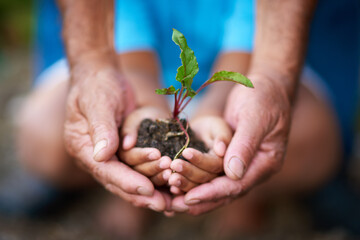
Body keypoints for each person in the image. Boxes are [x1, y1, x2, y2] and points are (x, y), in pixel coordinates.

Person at [13, 0, 359, 236]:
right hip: (129, 70)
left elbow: (247, 45)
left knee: (310, 137)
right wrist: (141, 108)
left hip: (245, 69)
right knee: (47, 132)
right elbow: (127, 45)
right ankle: (124, 190)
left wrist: (219, 107)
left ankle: (251, 195)